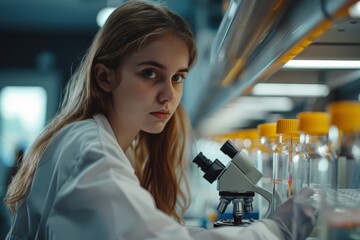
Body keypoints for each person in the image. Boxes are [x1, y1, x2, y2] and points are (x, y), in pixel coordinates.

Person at [4, 1, 316, 239]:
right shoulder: (89, 148)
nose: (168, 94)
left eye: (178, 77)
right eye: (150, 74)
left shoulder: (103, 141)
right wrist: (271, 231)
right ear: (105, 77)